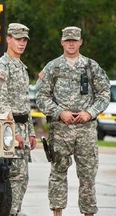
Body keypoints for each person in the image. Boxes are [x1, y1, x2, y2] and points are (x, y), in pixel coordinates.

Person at [35, 26, 110, 216]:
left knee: (87, 177)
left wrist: (90, 113)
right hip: (61, 130)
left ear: (80, 42)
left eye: (74, 40)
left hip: (86, 129)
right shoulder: (53, 67)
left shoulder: (91, 66)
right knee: (58, 173)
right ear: (61, 42)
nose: (71, 43)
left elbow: (104, 94)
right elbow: (41, 95)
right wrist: (59, 112)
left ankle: (88, 213)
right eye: (67, 40)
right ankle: (57, 213)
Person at [0, 23, 37, 216]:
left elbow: (24, 104)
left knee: (21, 178)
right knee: (10, 178)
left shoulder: (21, 68)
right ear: (8, 39)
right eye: (17, 39)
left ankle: (14, 212)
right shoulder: (0, 68)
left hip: (21, 129)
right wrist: (12, 132)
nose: (21, 43)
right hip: (5, 133)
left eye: (24, 40)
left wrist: (30, 132)